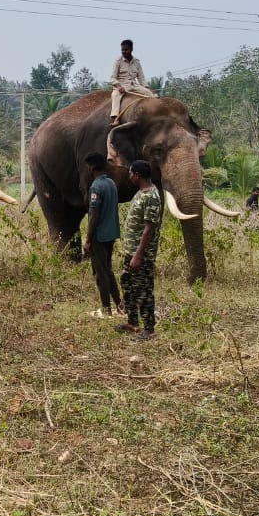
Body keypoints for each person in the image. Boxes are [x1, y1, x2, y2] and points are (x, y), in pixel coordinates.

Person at [117, 159, 162, 341]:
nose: (129, 176)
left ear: (137, 175)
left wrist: (138, 255)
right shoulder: (141, 193)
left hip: (141, 254)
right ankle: (132, 322)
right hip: (131, 251)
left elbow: (149, 228)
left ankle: (149, 329)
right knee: (128, 286)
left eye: (130, 173)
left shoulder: (151, 196)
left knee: (143, 290)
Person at [82, 152, 123, 318]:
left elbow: (94, 216)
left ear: (92, 167)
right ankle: (120, 305)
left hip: (99, 236)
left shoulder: (96, 187)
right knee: (108, 270)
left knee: (100, 274)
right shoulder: (111, 183)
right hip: (111, 234)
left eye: (88, 166)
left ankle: (106, 309)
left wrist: (88, 240)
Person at [109, 39, 156, 126]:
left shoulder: (136, 62)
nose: (124, 52)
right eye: (122, 50)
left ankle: (154, 114)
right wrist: (119, 86)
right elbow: (112, 78)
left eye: (126, 49)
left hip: (134, 85)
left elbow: (141, 79)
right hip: (121, 86)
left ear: (131, 49)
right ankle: (115, 119)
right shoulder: (118, 61)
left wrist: (149, 89)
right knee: (115, 95)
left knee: (149, 94)